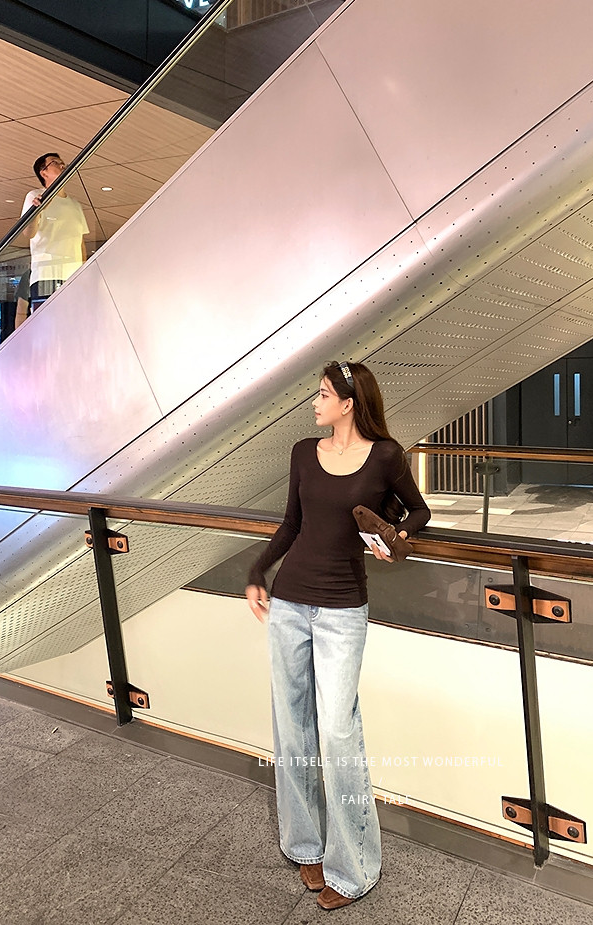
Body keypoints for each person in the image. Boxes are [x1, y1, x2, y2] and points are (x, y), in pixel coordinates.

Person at [246, 360, 431, 910]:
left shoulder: (386, 456)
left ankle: (354, 868)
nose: (315, 402)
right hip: (289, 602)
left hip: (343, 610)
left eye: (324, 394)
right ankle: (304, 845)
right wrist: (258, 572)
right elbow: (292, 524)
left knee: (337, 731)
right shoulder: (304, 452)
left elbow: (419, 511)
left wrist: (395, 536)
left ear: (349, 403)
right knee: (292, 727)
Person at [22, 153, 88, 312]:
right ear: (43, 172)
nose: (62, 165)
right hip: (46, 275)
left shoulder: (75, 205)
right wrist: (37, 211)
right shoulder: (35, 196)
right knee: (49, 322)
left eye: (62, 162)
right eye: (55, 163)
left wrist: (85, 273)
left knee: (74, 321)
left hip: (73, 277)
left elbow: (80, 242)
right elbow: (28, 233)